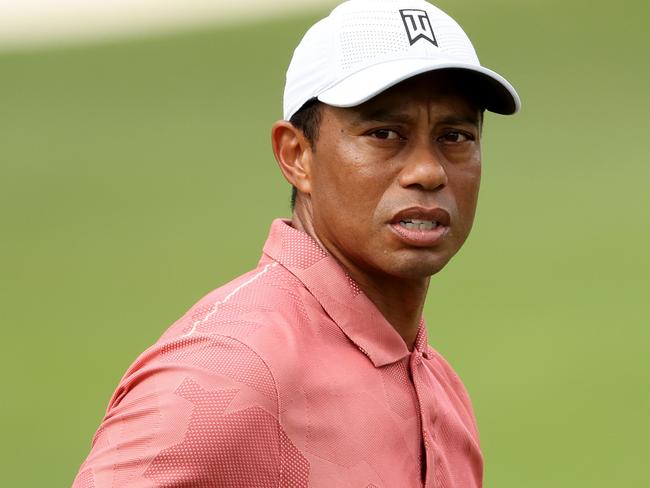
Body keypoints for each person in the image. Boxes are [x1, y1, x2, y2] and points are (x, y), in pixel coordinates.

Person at [72, 0, 520, 486]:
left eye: (455, 136)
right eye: (384, 133)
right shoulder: (224, 371)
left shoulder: (438, 385)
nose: (428, 171)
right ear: (296, 155)